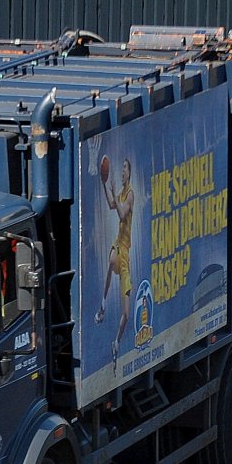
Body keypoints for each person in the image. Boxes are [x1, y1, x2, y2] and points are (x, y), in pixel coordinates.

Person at [95, 157, 134, 373]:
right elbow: (112, 204)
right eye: (121, 169)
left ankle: (116, 343)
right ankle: (103, 304)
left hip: (125, 253)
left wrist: (114, 195)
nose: (122, 172)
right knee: (110, 262)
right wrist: (104, 185)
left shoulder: (130, 194)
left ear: (130, 173)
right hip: (118, 245)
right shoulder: (121, 194)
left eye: (124, 169)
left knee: (127, 313)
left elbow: (121, 212)